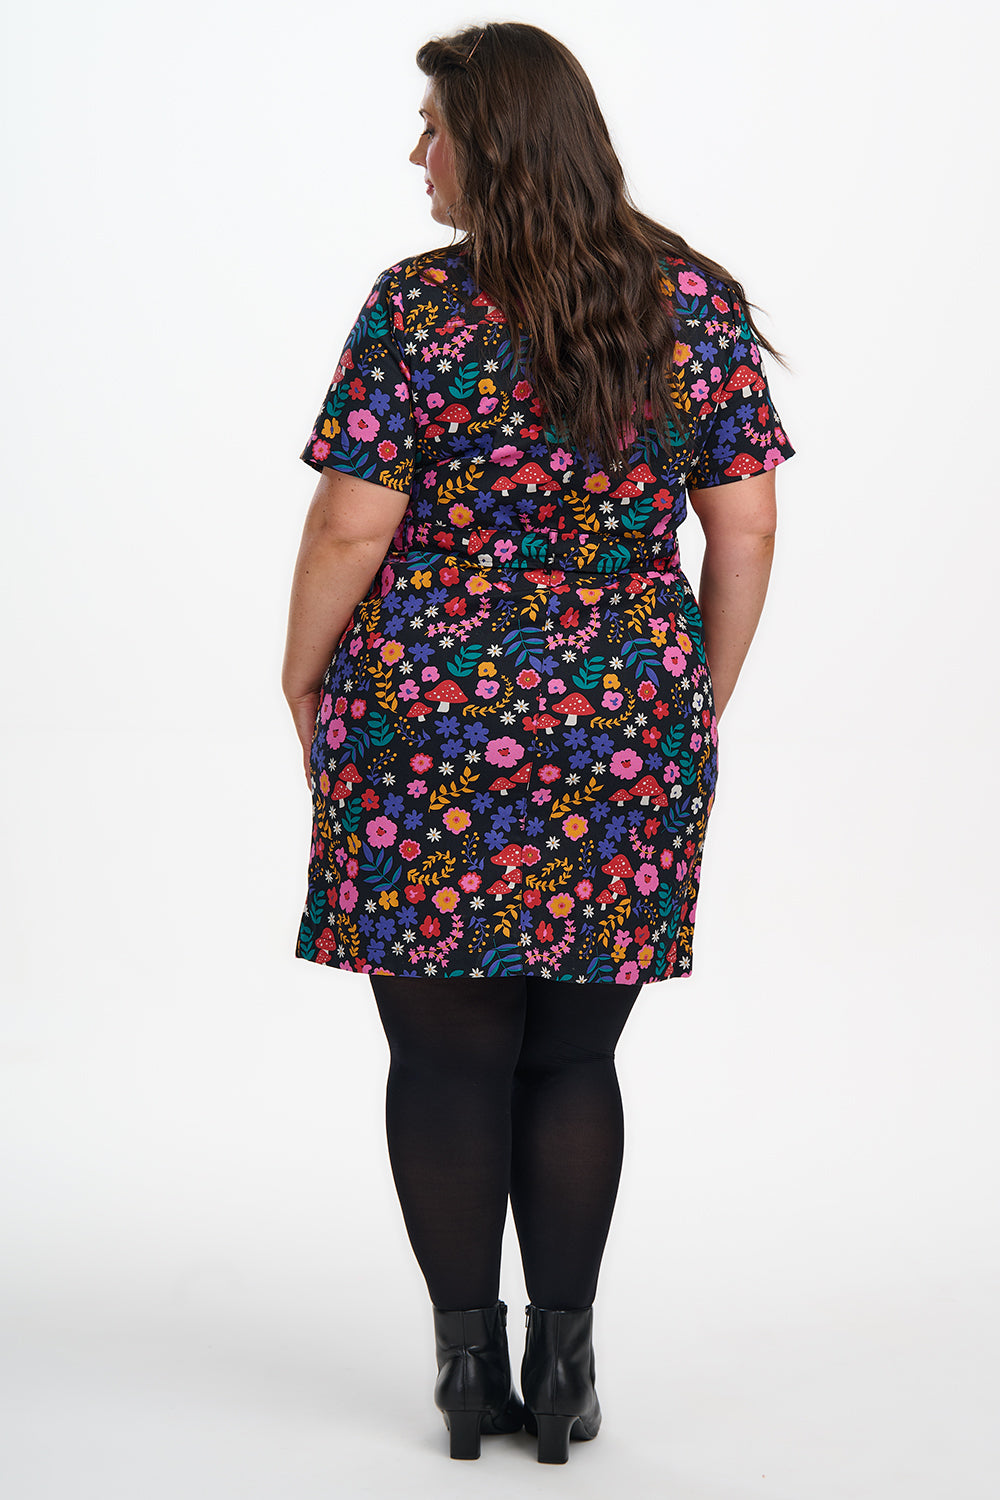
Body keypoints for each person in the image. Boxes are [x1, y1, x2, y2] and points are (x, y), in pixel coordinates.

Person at [281, 21, 796, 1464]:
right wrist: (692, 700)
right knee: (573, 1062)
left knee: (445, 1063)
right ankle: (564, 1375)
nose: (416, 153)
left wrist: (298, 675)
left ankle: (466, 1376)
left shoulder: (420, 309)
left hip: (427, 725)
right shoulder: (694, 302)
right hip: (624, 729)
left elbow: (351, 521)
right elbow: (743, 527)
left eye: (431, 127)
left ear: (490, 142)